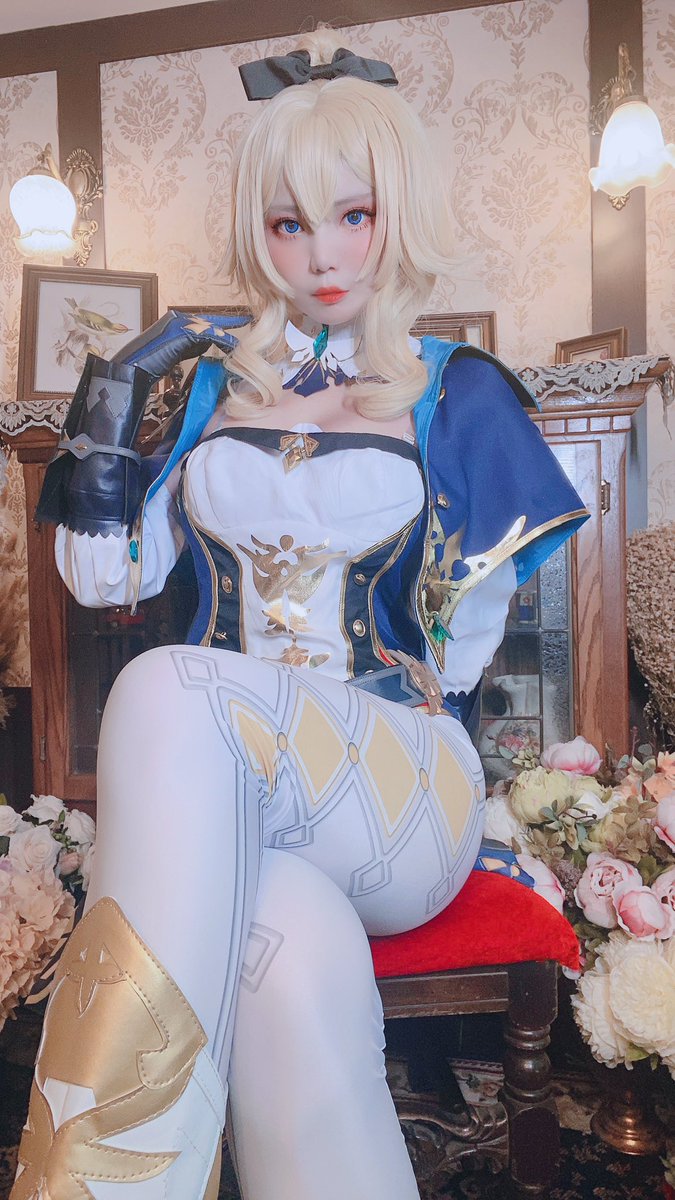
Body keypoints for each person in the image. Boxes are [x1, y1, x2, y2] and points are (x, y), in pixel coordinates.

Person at [13, 28, 588, 1200]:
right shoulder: (216, 391)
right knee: (283, 958)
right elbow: (109, 578)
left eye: (352, 215)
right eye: (288, 224)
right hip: (239, 802)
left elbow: (458, 657)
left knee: (164, 691)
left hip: (402, 781)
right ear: (258, 232)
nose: (320, 254)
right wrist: (112, 410)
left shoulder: (453, 393)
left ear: (397, 213)